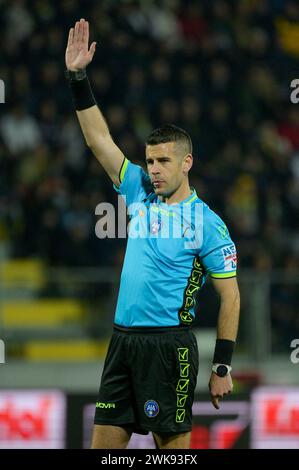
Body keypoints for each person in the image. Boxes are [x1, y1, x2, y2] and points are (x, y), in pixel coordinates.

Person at [65, 18, 240, 450]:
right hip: (122, 341)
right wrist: (77, 78)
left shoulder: (207, 223)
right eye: (150, 160)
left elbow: (231, 296)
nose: (154, 170)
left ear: (187, 162)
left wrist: (222, 367)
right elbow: (99, 142)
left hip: (169, 348)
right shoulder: (139, 189)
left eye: (162, 161)